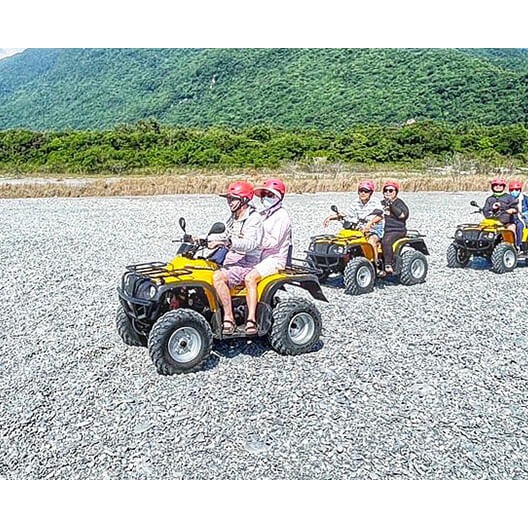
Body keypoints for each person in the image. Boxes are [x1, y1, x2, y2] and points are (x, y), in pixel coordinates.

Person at [211, 181, 263, 335]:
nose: (229, 202)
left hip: (248, 261)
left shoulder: (254, 219)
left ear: (244, 200)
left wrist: (228, 243)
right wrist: (200, 238)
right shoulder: (234, 217)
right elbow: (224, 234)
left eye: (232, 199)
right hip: (233, 258)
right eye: (228, 199)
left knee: (218, 277)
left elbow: (250, 244)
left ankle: (229, 317)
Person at [243, 178, 292, 335]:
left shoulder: (282, 216)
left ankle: (251, 320)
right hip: (260, 256)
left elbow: (273, 242)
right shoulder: (263, 214)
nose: (265, 197)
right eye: (263, 194)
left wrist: (253, 241)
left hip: (275, 259)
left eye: (269, 194)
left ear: (278, 197)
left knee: (250, 278)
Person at [323, 179, 384, 262]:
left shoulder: (375, 202)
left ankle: (375, 263)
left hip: (375, 228)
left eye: (366, 191)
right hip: (359, 228)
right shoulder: (356, 202)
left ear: (371, 193)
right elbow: (346, 214)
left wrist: (370, 223)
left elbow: (380, 216)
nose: (363, 193)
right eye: (361, 191)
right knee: (343, 239)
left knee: (371, 240)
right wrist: (330, 217)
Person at [379, 180, 409, 276]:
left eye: (391, 190)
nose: (388, 192)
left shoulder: (399, 203)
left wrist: (391, 205)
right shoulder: (381, 203)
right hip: (382, 228)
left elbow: (402, 215)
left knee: (386, 241)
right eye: (386, 190)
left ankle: (388, 264)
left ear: (396, 192)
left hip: (396, 230)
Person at [483, 177, 518, 245]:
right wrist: (492, 208)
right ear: (492, 187)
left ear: (503, 187)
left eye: (500, 185)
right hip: (492, 221)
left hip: (507, 222)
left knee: (511, 229)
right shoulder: (490, 199)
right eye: (496, 185)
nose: (498, 187)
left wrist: (509, 210)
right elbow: (485, 210)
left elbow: (515, 209)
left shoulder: (509, 197)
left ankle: (514, 247)